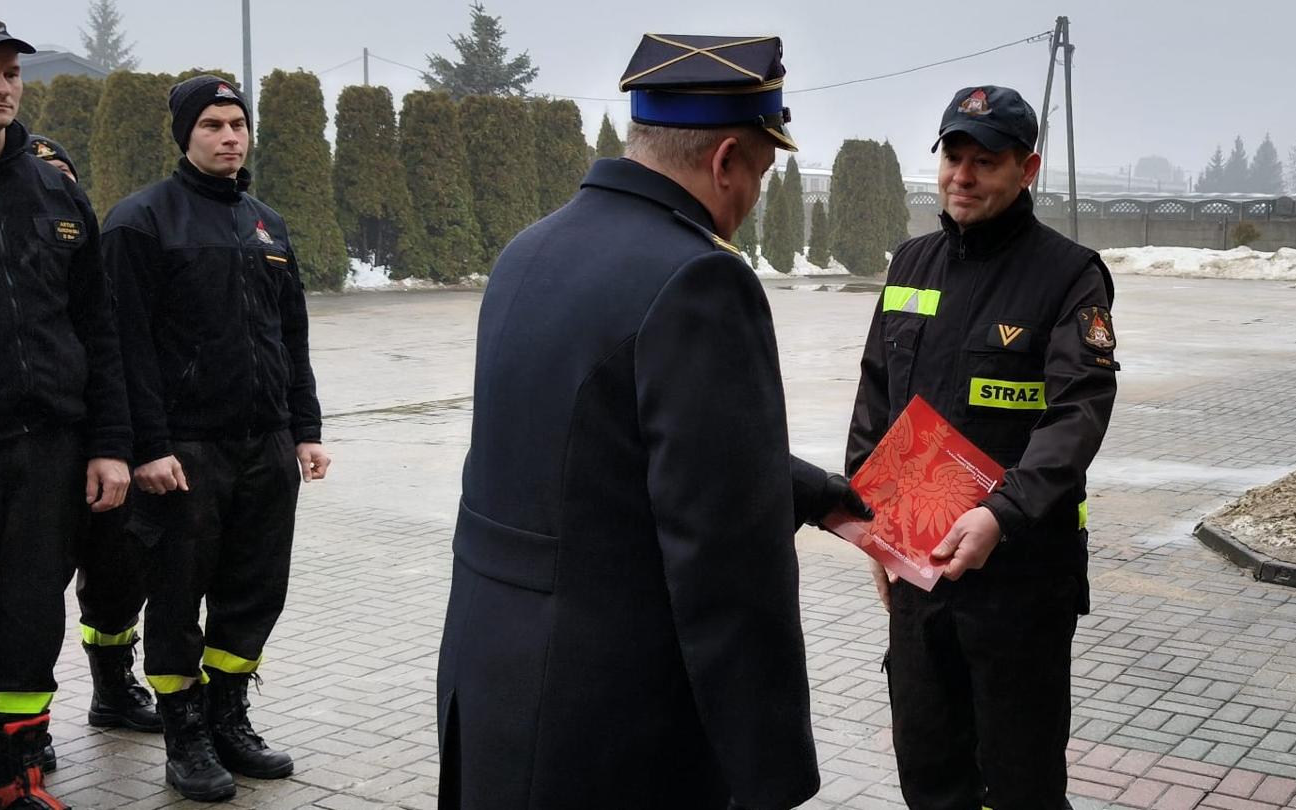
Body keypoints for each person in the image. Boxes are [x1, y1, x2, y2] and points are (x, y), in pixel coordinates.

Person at [435, 33, 867, 810]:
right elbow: (726, 557)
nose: (753, 199)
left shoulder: (531, 248)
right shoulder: (698, 277)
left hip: (492, 674)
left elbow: (594, 446)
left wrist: (812, 493)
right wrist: (769, 767)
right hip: (611, 717)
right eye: (761, 175)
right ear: (726, 160)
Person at [845, 84, 1118, 810]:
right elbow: (876, 399)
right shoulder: (911, 264)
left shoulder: (1068, 274)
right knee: (929, 771)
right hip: (922, 571)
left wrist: (1003, 512)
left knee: (1020, 781)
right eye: (952, 157)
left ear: (1026, 170)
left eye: (985, 162)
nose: (961, 177)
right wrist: (877, 529)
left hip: (1020, 577)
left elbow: (1078, 410)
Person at [99, 74, 330, 802]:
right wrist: (147, 446)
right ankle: (185, 735)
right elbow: (124, 346)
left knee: (254, 591)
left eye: (238, 124)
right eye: (212, 126)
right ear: (185, 135)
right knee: (176, 597)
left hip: (265, 445)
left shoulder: (267, 224)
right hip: (184, 451)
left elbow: (291, 334)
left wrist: (305, 429)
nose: (230, 137)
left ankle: (229, 718)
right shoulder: (141, 222)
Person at [0, 11, 131, 809]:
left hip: (47, 450)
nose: (1, 86)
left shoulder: (54, 186)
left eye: (10, 72)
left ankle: (16, 778)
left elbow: (98, 327)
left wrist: (109, 443)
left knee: (29, 622)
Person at [22, 131, 164, 745]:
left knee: (118, 577)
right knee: (27, 595)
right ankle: (24, 726)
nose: (56, 187)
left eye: (65, 177)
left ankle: (113, 688)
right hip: (42, 449)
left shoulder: (100, 254)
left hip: (110, 444)